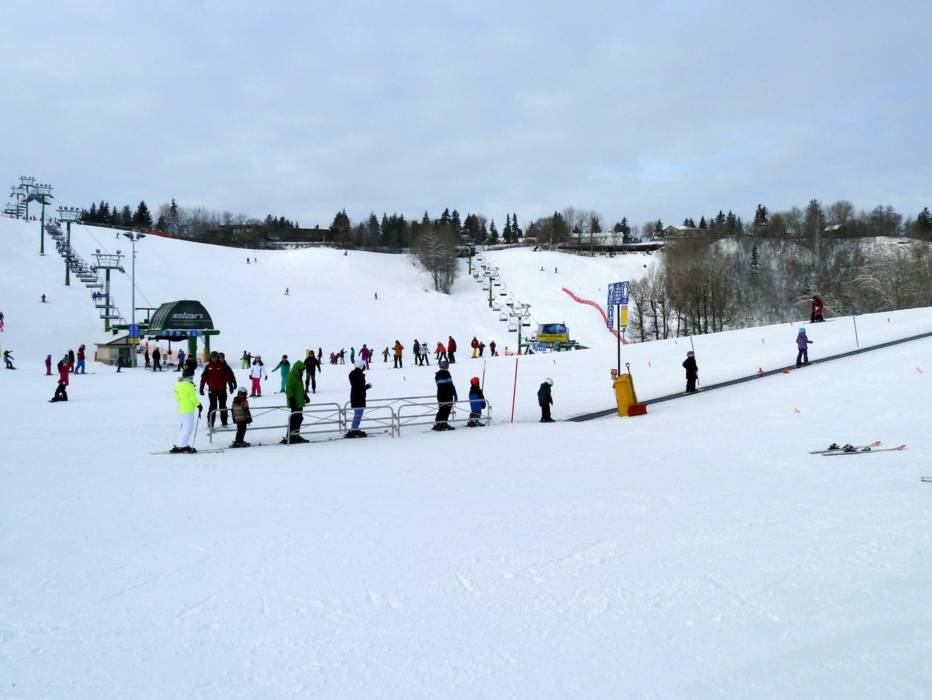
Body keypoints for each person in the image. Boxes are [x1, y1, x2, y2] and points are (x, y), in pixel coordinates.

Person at [170, 367, 202, 453]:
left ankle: (181, 443)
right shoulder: (189, 385)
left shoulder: (179, 384)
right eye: (192, 375)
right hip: (188, 409)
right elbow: (193, 397)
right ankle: (183, 445)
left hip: (182, 408)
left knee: (184, 427)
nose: (193, 377)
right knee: (188, 428)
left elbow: (177, 398)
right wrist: (199, 405)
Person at [200, 351, 232, 427]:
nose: (214, 359)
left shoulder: (223, 366)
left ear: (217, 357)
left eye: (215, 357)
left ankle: (224, 422)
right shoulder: (208, 367)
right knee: (213, 406)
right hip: (212, 390)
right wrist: (201, 387)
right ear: (210, 358)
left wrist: (231, 385)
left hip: (222, 389)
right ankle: (210, 422)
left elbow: (228, 376)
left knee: (223, 406)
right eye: (212, 357)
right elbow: (204, 378)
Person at [283, 360, 309, 443]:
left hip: (299, 401)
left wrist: (305, 396)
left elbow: (300, 388)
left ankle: (295, 435)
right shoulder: (291, 377)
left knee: (299, 418)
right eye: (302, 370)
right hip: (295, 402)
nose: (303, 372)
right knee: (294, 419)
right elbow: (289, 389)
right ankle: (291, 435)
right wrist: (292, 400)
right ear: (297, 369)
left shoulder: (298, 376)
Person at [346, 358, 371, 438]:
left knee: (357, 414)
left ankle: (354, 429)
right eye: (363, 366)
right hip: (358, 397)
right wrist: (366, 386)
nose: (364, 367)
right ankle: (354, 429)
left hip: (355, 396)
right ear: (360, 366)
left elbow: (357, 386)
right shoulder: (359, 375)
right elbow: (359, 387)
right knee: (358, 414)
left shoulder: (354, 374)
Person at [433, 360, 458, 431]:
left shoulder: (437, 374)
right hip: (447, 394)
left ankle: (439, 423)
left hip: (440, 394)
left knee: (442, 409)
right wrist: (455, 394)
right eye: (448, 365)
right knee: (446, 409)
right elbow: (450, 385)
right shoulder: (446, 373)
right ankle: (443, 423)